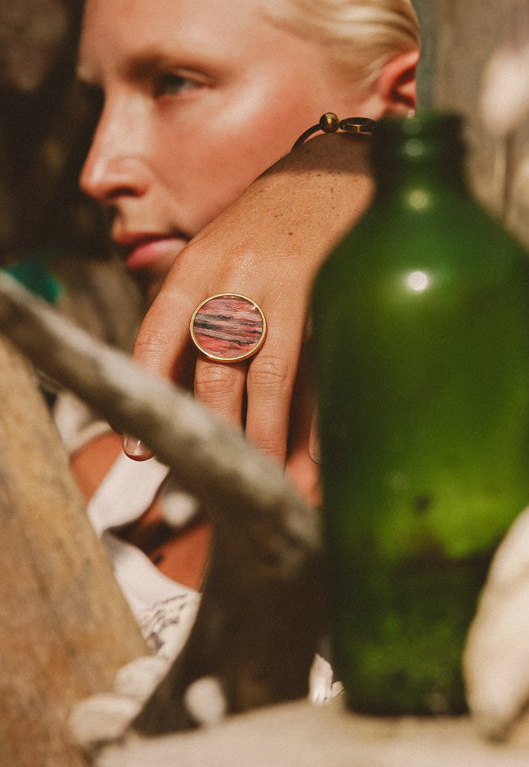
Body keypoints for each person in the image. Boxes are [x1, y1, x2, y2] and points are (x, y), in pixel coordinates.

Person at [65, 0, 420, 668]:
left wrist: (346, 151)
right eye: (96, 103)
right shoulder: (84, 493)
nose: (99, 171)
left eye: (174, 83)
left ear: (402, 101)